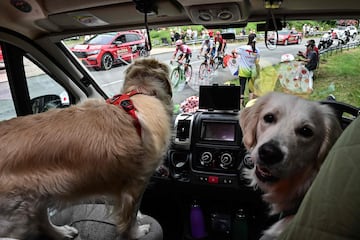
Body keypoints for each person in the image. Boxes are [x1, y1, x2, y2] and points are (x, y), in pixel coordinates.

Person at [231, 33, 260, 106]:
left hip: (243, 71)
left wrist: (236, 56)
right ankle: (250, 104)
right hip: (252, 71)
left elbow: (233, 51)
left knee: (242, 87)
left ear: (248, 39)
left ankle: (241, 103)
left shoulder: (243, 48)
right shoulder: (257, 50)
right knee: (251, 88)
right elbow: (257, 61)